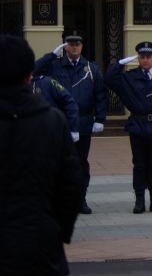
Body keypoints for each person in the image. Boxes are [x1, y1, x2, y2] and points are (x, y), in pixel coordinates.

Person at [0, 35, 83, 276]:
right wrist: (59, 231)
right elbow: (71, 185)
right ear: (29, 75)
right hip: (40, 243)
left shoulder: (51, 118)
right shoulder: (52, 121)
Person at [34, 34, 107, 215]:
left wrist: (100, 119)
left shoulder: (91, 68)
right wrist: (51, 55)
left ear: (82, 47)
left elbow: (100, 95)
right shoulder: (55, 65)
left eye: (77, 44)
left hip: (83, 122)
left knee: (80, 163)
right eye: (71, 44)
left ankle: (80, 199)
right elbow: (33, 71)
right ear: (65, 47)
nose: (74, 47)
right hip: (59, 121)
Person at [104, 41, 152, 214]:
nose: (145, 60)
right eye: (142, 57)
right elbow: (108, 79)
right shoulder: (129, 78)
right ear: (138, 59)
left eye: (148, 57)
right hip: (137, 124)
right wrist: (120, 63)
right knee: (139, 164)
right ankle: (139, 201)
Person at [32, 74, 80, 143]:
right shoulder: (18, 86)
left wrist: (73, 128)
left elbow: (69, 101)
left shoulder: (47, 82)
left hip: (49, 132)